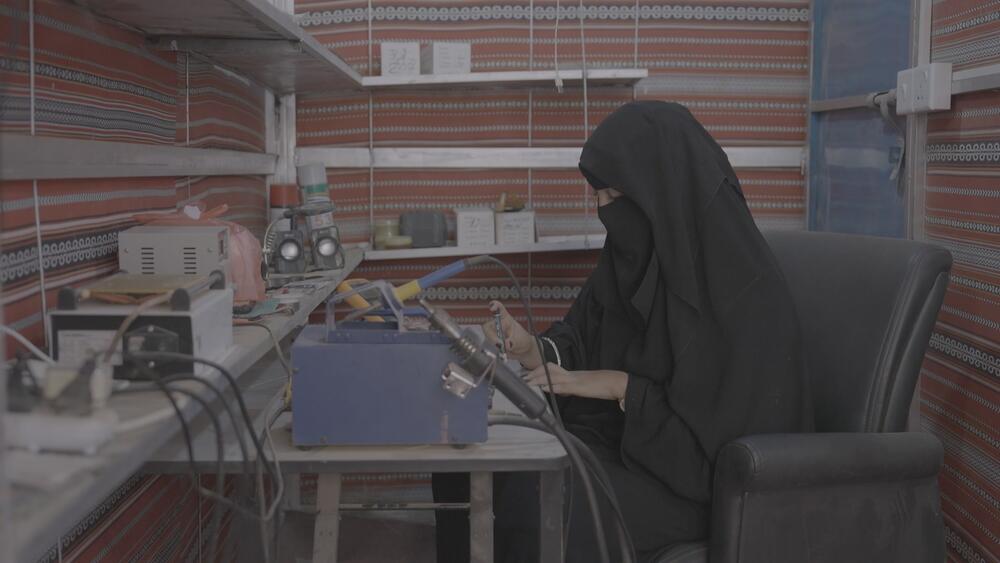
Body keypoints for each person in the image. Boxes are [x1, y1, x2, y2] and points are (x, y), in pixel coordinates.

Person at [433, 101, 813, 563]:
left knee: (542, 498)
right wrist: (532, 348)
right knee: (467, 463)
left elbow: (724, 459)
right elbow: (584, 336)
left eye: (615, 197)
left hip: (699, 489)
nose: (603, 212)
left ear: (662, 195)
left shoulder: (746, 297)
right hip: (625, 449)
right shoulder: (633, 260)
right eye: (598, 197)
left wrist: (621, 388)